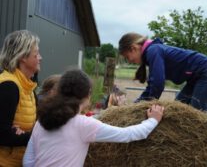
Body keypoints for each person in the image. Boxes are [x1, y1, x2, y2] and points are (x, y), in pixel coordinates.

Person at [23, 69, 164, 167]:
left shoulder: (41, 121)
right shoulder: (83, 125)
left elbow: (28, 162)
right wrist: (153, 120)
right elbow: (127, 134)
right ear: (88, 94)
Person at [118, 32, 207, 111]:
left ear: (133, 48)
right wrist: (136, 106)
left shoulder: (153, 50)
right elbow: (151, 86)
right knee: (177, 110)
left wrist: (144, 107)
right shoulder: (152, 52)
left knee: (194, 116)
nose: (130, 61)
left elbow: (158, 84)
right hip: (195, 78)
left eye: (127, 57)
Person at [0, 30, 42, 166]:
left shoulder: (28, 88)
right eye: (37, 53)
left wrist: (24, 134)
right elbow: (2, 135)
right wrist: (35, 137)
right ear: (23, 56)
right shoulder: (8, 86)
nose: (40, 58)